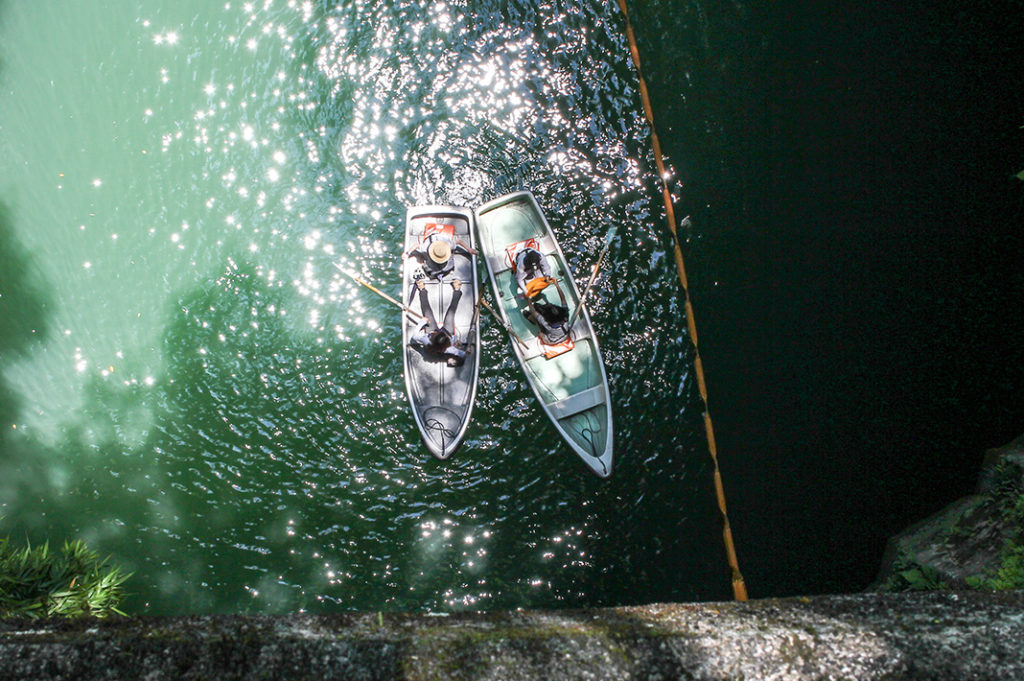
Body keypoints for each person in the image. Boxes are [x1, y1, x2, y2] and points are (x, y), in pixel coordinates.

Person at [514, 247, 571, 343]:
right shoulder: (565, 315)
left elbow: (533, 310)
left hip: (551, 340)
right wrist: (556, 285)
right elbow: (519, 279)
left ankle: (531, 319)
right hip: (566, 333)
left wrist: (528, 298)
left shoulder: (547, 323)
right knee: (530, 281)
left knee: (537, 322)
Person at [409, 279, 467, 367]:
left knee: (427, 311)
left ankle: (422, 290)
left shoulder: (427, 341)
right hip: (446, 332)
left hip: (433, 332)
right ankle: (457, 291)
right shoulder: (450, 349)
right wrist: (467, 350)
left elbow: (415, 336)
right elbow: (463, 354)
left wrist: (422, 322)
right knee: (450, 313)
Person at [405, 227, 477, 280]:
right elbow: (417, 245)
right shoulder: (426, 246)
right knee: (431, 269)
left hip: (443, 238)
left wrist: (469, 250)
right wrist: (407, 253)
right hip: (434, 238)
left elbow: (458, 241)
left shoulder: (449, 244)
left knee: (445, 267)